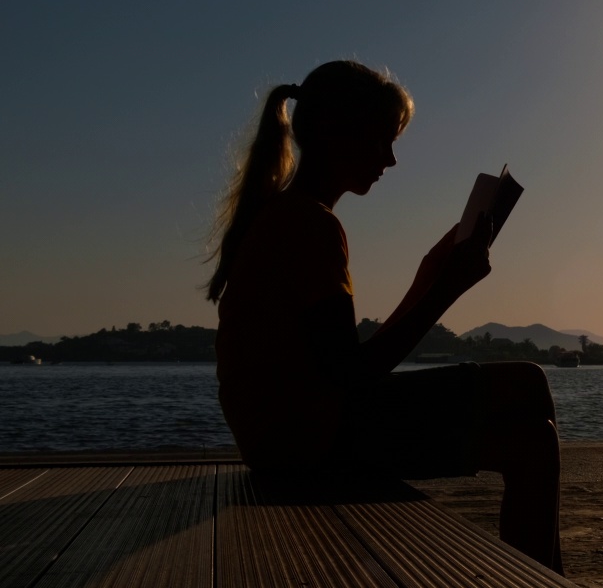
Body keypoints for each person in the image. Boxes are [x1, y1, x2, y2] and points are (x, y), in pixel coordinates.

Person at [205, 60, 562, 572]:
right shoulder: (310, 226)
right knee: (531, 422)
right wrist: (446, 290)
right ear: (336, 133)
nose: (391, 160)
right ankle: (551, 581)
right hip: (305, 442)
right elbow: (353, 376)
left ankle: (551, 581)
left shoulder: (289, 216)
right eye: (381, 141)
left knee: (530, 406)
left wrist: (428, 278)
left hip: (288, 435)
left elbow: (345, 366)